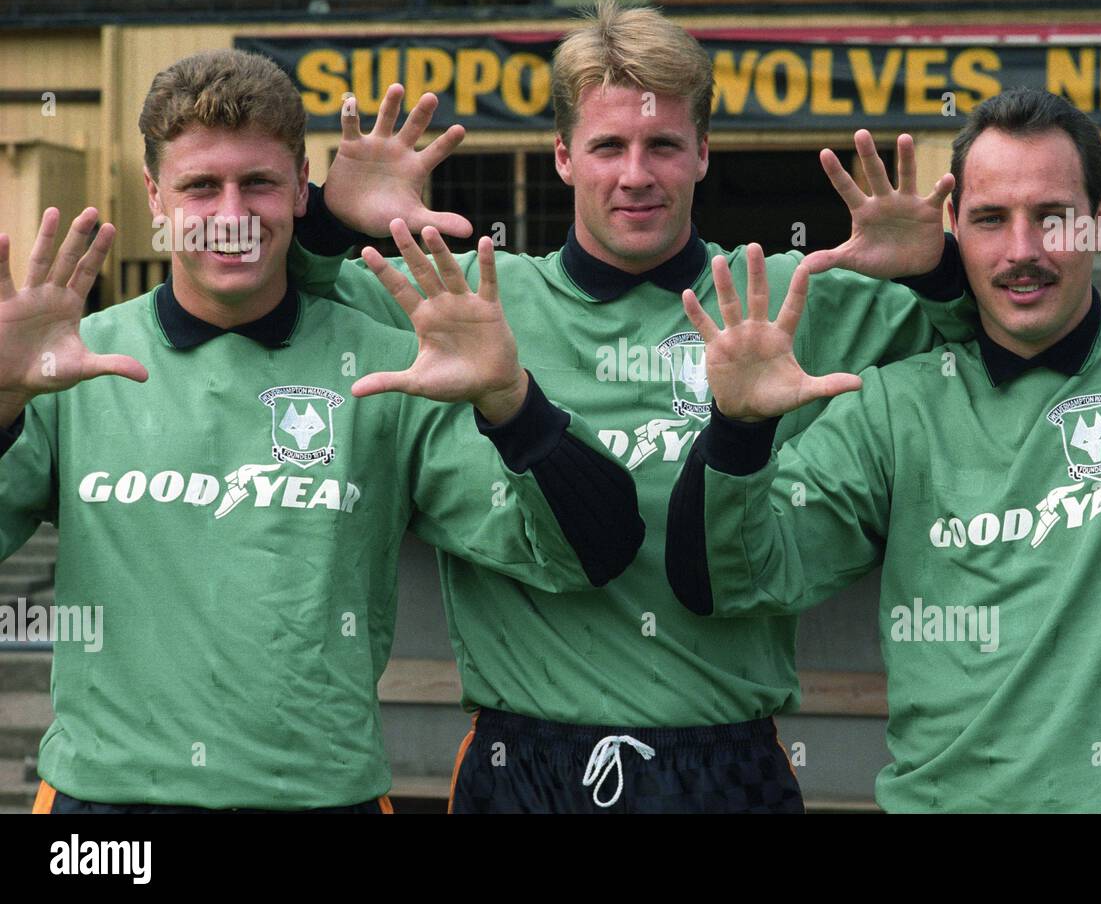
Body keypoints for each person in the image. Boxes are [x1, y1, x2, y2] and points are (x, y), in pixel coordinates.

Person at [289, 0, 978, 812]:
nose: (636, 173)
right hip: (526, 765)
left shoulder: (793, 297)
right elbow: (291, 306)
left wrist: (937, 270)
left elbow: (986, 342)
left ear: (704, 155)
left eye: (663, 145)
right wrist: (331, 220)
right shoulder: (465, 299)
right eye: (608, 145)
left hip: (724, 762)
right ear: (562, 157)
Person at [0, 48, 641, 813]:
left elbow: (588, 554)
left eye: (259, 184)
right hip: (102, 807)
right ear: (154, 197)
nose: (232, 216)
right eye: (201, 187)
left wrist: (512, 399)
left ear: (303, 191)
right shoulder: (73, 367)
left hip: (323, 797)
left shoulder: (389, 368)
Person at [666, 87, 1101, 812]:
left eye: (1053, 218)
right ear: (955, 232)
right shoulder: (895, 406)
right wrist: (738, 431)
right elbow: (727, 578)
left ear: (1097, 226)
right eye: (991, 220)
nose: (1022, 251)